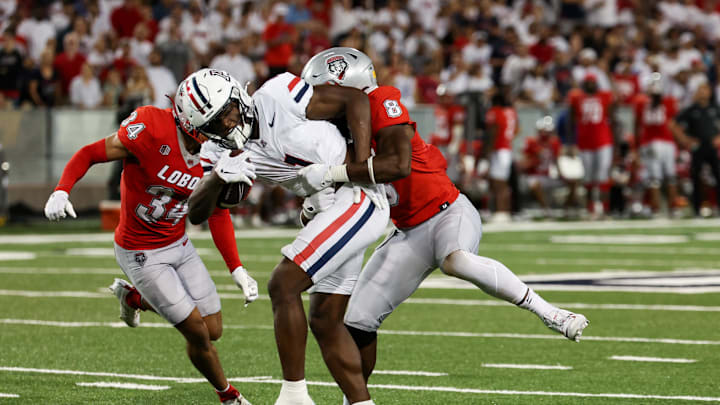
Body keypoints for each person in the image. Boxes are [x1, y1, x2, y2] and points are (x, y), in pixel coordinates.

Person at [298, 48, 589, 401]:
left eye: (323, 91)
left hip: (448, 212)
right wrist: (315, 204)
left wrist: (334, 173)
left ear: (349, 86)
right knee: (357, 322)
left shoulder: (381, 101)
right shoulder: (332, 133)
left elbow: (397, 164)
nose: (317, 102)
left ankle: (550, 313)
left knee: (456, 261)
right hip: (406, 232)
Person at [42, 69, 259, 405]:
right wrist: (62, 190)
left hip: (179, 242)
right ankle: (228, 396)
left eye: (233, 113)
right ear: (195, 120)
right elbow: (90, 153)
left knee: (214, 328)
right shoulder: (149, 130)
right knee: (199, 333)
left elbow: (215, 211)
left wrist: (237, 268)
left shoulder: (213, 150)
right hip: (140, 251)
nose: (233, 123)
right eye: (224, 117)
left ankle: (134, 299)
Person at [186, 68, 389, 405]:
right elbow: (197, 212)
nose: (225, 125)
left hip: (356, 194)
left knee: (283, 283)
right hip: (326, 208)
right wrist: (218, 179)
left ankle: (294, 396)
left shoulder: (277, 95)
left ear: (238, 96)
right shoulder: (217, 153)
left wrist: (359, 164)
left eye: (227, 112)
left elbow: (354, 99)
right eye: (213, 124)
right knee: (325, 319)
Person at [567, 74, 617, 218]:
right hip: (584, 142)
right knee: (588, 177)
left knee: (603, 175)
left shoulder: (605, 96)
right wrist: (571, 142)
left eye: (592, 82)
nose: (590, 84)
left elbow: (612, 118)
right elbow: (571, 121)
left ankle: (604, 209)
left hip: (603, 140)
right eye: (587, 82)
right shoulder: (576, 97)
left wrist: (615, 142)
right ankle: (591, 208)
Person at [632, 73, 680, 216]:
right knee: (670, 176)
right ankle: (673, 208)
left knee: (655, 179)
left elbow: (637, 126)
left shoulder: (641, 102)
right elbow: (672, 124)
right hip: (667, 142)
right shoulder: (669, 101)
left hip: (650, 142)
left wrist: (636, 146)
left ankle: (657, 209)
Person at [672, 82, 720, 216]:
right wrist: (685, 140)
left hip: (711, 147)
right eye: (701, 90)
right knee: (695, 177)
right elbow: (674, 124)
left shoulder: (715, 108)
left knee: (718, 175)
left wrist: (718, 138)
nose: (703, 93)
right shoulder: (692, 109)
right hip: (697, 147)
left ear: (710, 92)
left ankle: (717, 206)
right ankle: (697, 208)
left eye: (705, 90)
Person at [484, 91, 518, 222]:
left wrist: (487, 149)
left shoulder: (495, 111)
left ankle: (502, 211)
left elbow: (494, 130)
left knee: (499, 182)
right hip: (506, 148)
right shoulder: (511, 112)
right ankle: (503, 211)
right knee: (501, 181)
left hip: (498, 149)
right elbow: (516, 129)